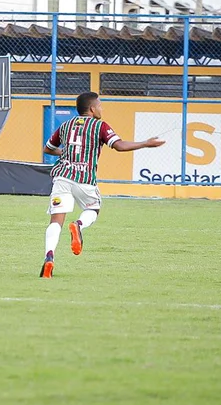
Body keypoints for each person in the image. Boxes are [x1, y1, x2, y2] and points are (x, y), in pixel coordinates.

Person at [40, 92, 164, 278]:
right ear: (92, 109)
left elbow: (47, 148)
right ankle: (79, 225)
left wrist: (66, 154)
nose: (101, 108)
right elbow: (119, 146)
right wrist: (146, 143)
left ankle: (49, 258)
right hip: (84, 179)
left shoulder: (65, 126)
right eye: (100, 105)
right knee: (93, 208)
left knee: (56, 221)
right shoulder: (99, 126)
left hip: (62, 177)